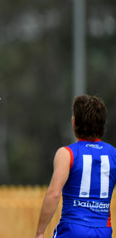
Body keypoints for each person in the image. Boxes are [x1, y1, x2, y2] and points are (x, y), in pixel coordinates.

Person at [34, 95, 116, 238]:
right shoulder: (113, 154)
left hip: (72, 230)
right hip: (103, 231)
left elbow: (54, 194)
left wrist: (40, 232)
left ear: (74, 122)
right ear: (103, 124)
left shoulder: (67, 154)